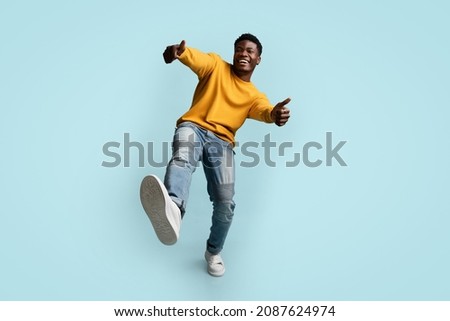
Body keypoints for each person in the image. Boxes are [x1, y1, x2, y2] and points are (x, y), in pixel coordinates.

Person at [140, 33, 291, 277]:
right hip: (194, 128)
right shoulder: (215, 66)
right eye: (239, 49)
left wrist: (275, 115)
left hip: (222, 143)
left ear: (258, 59)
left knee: (225, 203)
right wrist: (177, 53)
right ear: (234, 53)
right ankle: (174, 209)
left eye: (250, 51)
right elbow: (192, 57)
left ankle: (213, 252)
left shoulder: (254, 95)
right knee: (183, 156)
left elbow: (266, 111)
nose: (244, 53)